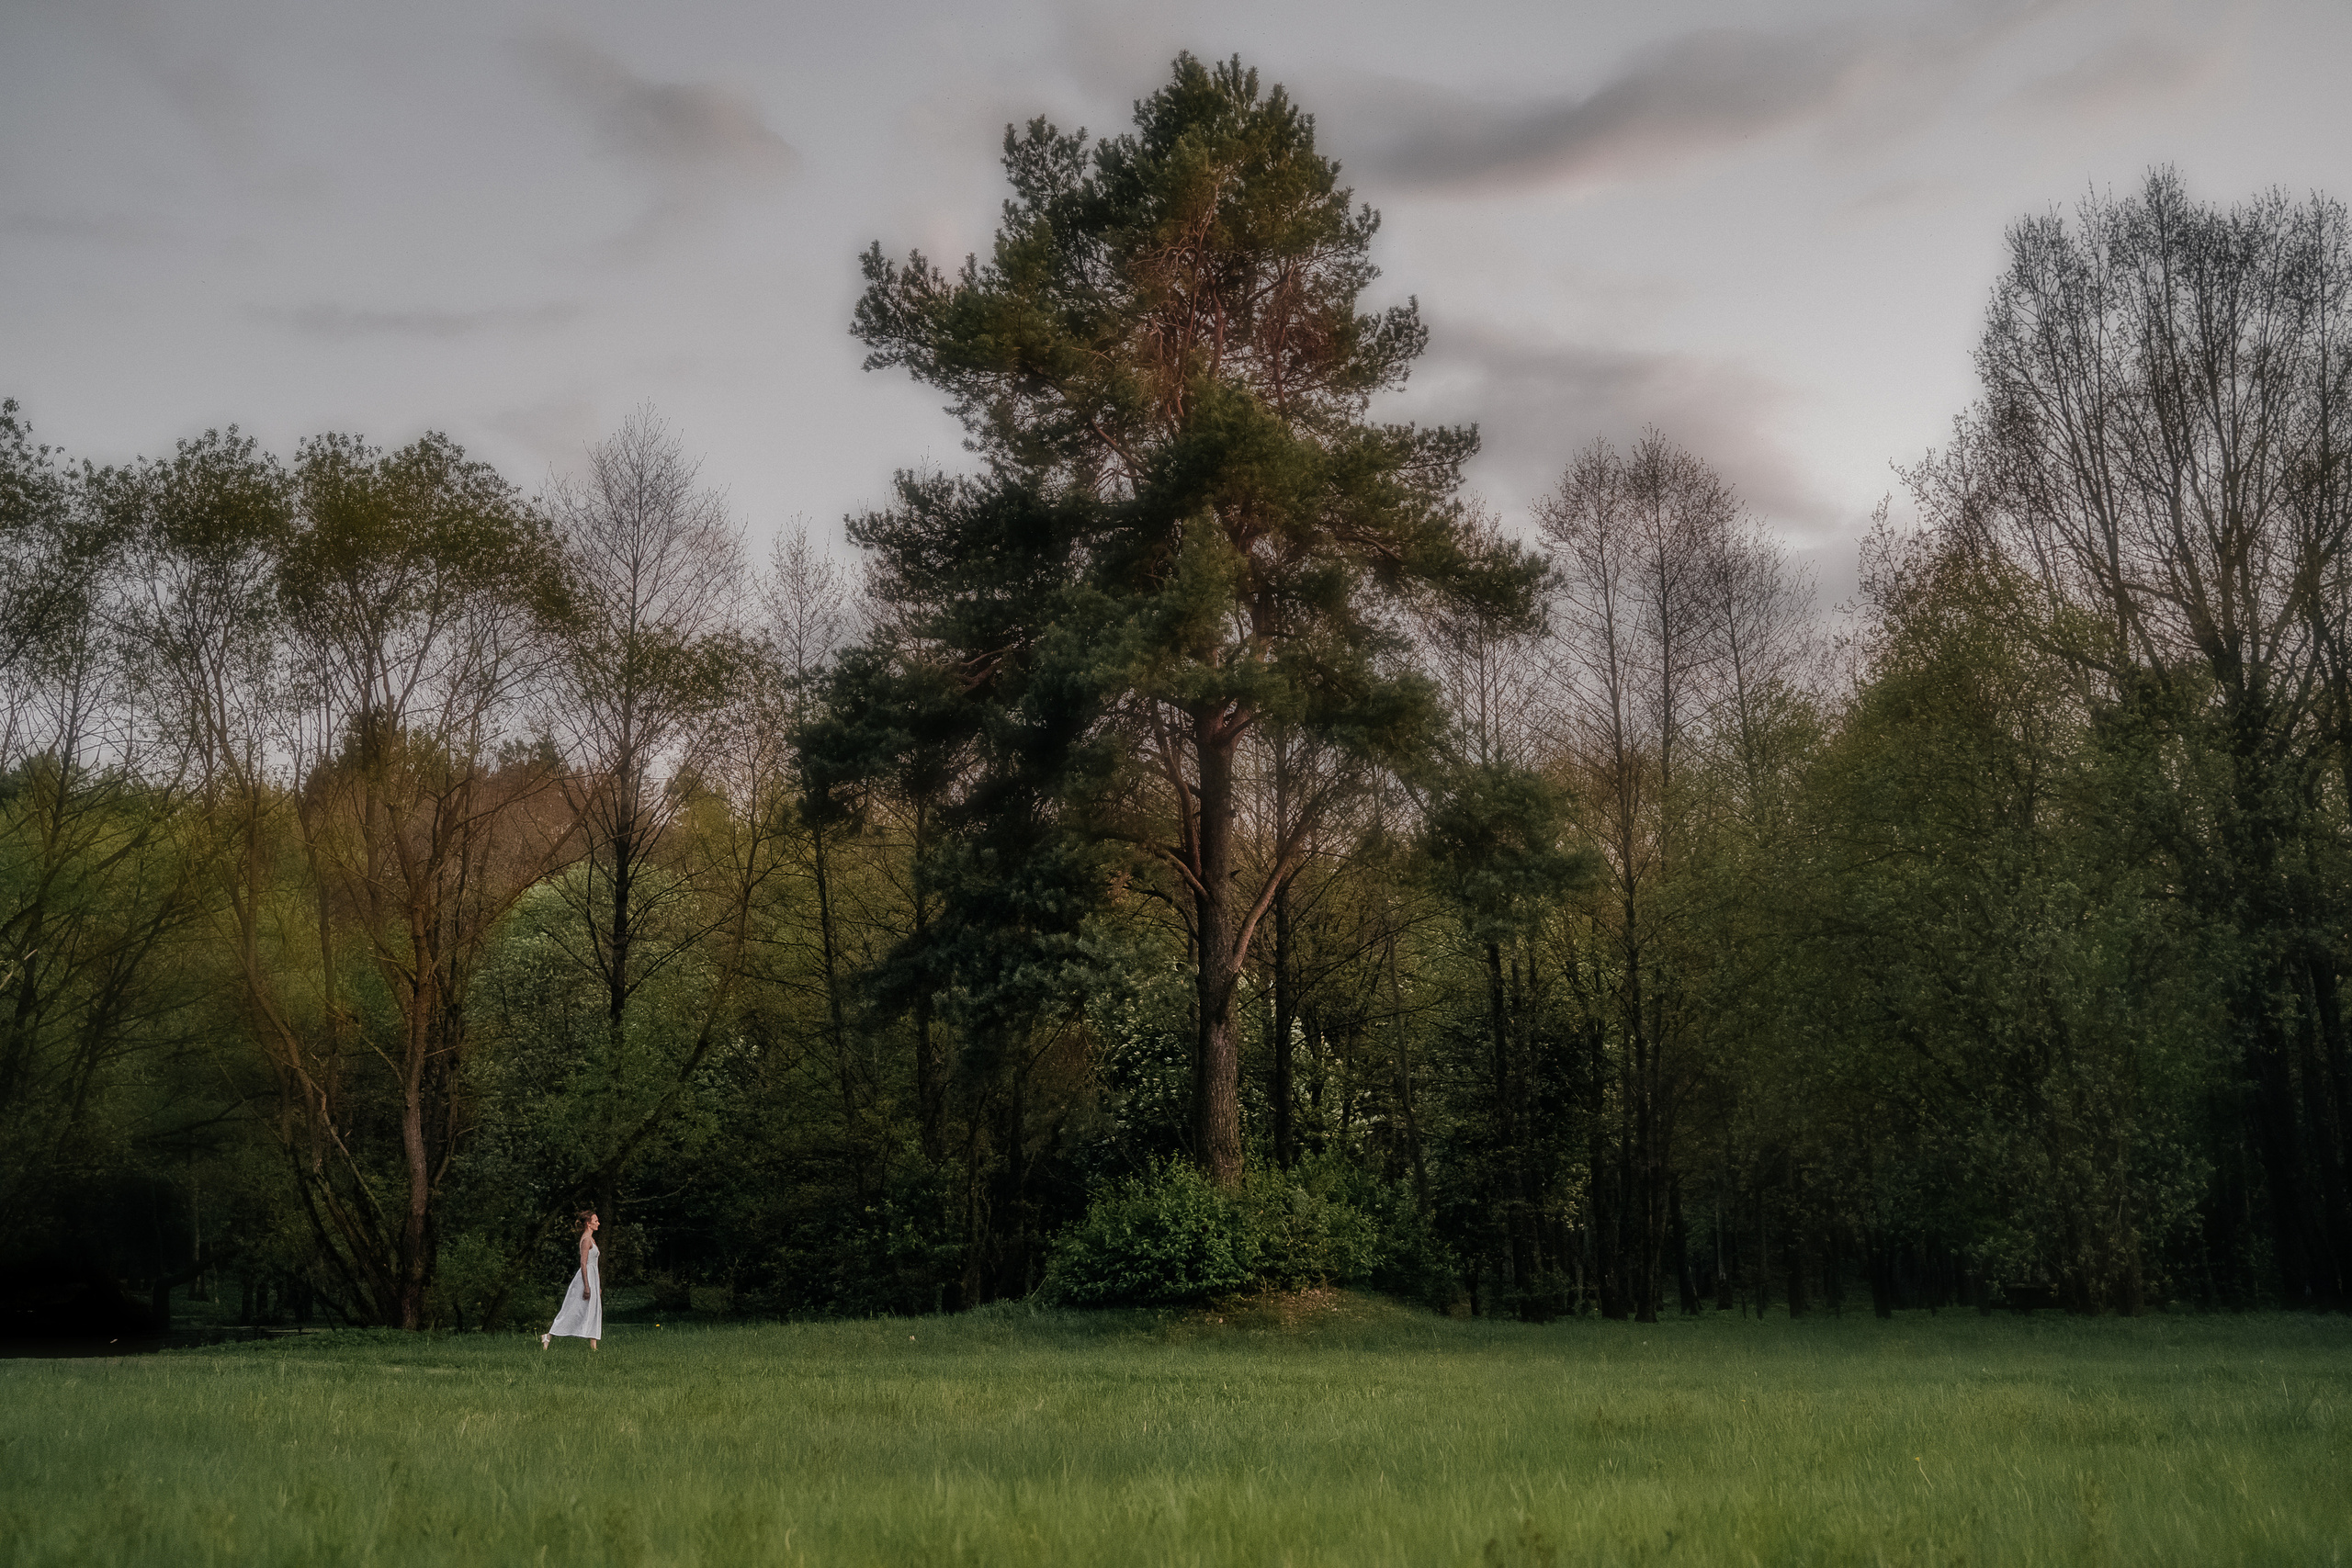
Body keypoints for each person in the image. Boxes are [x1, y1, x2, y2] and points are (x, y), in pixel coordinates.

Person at [542, 1211, 602, 1351]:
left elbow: (595, 1264)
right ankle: (548, 1335)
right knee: (574, 1309)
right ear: (588, 1223)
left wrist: (597, 1285)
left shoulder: (592, 1239)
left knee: (594, 1310)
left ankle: (593, 1346)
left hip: (593, 1278)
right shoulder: (586, 1240)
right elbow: (583, 1263)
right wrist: (586, 1286)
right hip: (585, 1278)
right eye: (595, 1221)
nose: (598, 1223)